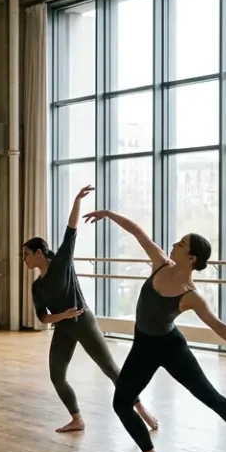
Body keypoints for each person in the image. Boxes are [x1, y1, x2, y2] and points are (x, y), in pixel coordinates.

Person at [81, 208, 226, 452]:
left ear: (192, 257)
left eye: (181, 244)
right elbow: (138, 232)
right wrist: (109, 214)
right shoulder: (160, 262)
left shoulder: (191, 295)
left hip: (171, 347)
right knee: (121, 403)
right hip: (143, 347)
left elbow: (217, 324)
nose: (174, 245)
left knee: (210, 397)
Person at [23, 185, 157, 435]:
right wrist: (62, 316)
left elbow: (71, 232)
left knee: (110, 369)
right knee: (57, 376)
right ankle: (77, 419)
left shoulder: (62, 263)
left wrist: (77, 202)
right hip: (64, 326)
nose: (25, 259)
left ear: (40, 253)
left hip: (83, 322)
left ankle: (143, 410)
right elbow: (42, 316)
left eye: (27, 254)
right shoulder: (37, 286)